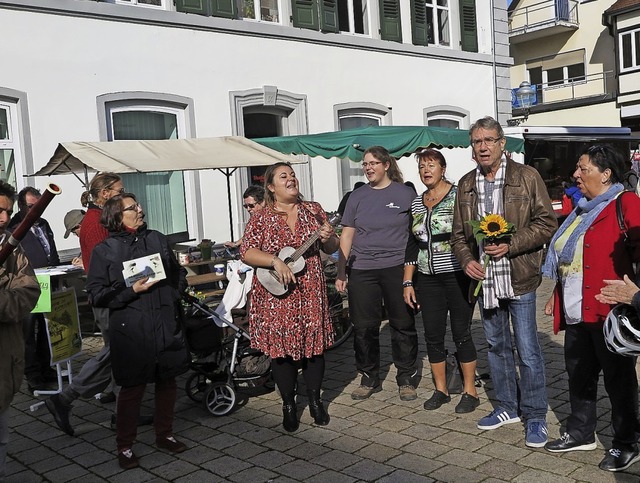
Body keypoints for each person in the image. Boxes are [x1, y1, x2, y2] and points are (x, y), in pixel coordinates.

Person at [451, 116, 557, 448]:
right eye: (476, 142)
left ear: (501, 144)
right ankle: (507, 408)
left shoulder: (527, 177)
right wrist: (467, 260)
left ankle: (536, 415)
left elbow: (546, 222)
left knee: (528, 350)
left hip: (520, 277)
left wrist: (512, 244)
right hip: (485, 282)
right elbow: (457, 237)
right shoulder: (467, 184)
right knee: (496, 347)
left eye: (488, 140)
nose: (482, 147)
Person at [542, 144, 640, 472]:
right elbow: (570, 258)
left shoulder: (624, 202)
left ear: (605, 173)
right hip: (576, 309)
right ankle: (581, 431)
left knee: (618, 380)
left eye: (583, 169)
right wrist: (556, 293)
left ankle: (627, 442)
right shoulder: (581, 208)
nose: (576, 175)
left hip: (609, 312)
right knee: (578, 375)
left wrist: (635, 294)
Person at [86, 194, 189, 469]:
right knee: (132, 389)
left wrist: (174, 294)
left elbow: (178, 272)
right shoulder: (104, 250)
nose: (140, 210)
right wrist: (130, 291)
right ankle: (125, 446)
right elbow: (96, 295)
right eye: (133, 208)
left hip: (165, 323)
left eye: (139, 205)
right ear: (117, 216)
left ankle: (165, 434)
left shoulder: (156, 238)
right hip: (132, 330)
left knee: (167, 382)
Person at [240, 162, 339, 432]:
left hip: (310, 290)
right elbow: (247, 252)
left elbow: (331, 247)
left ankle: (316, 400)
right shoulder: (261, 217)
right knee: (282, 353)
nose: (291, 179)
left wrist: (330, 237)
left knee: (314, 348)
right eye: (284, 176)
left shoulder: (314, 210)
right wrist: (274, 261)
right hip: (276, 294)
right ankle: (287, 403)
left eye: (293, 175)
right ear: (271, 187)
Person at [45, 173, 128, 435]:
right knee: (116, 351)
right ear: (105, 193)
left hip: (112, 294)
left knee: (120, 355)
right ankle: (66, 397)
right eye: (119, 190)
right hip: (108, 297)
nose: (122, 195)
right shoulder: (94, 224)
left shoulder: (98, 220)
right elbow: (109, 265)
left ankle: (121, 413)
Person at [336, 146, 419, 401]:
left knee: (402, 323)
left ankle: (406, 377)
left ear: (386, 165)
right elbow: (347, 234)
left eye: (373, 163)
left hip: (396, 267)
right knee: (364, 327)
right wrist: (341, 271)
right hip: (362, 268)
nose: (368, 168)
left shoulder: (406, 194)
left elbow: (416, 234)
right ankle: (369, 376)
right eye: (365, 164)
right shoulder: (356, 196)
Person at [403, 149, 479, 413]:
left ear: (443, 168)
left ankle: (470, 391)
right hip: (427, 278)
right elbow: (412, 245)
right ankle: (441, 389)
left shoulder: (459, 196)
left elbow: (472, 234)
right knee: (433, 335)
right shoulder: (416, 203)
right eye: (422, 166)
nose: (426, 170)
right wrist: (408, 283)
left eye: (431, 165)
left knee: (461, 333)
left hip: (457, 275)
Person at [0, 180, 41, 481]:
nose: (4, 218)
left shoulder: (13, 251)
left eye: (8, 211)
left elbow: (27, 295)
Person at [8, 187, 60, 392]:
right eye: (31, 206)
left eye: (39, 206)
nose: (36, 210)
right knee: (28, 332)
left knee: (47, 329)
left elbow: (50, 250)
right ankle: (33, 375)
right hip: (27, 286)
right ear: (20, 206)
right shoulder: (15, 228)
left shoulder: (43, 224)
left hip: (49, 283)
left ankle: (46, 368)